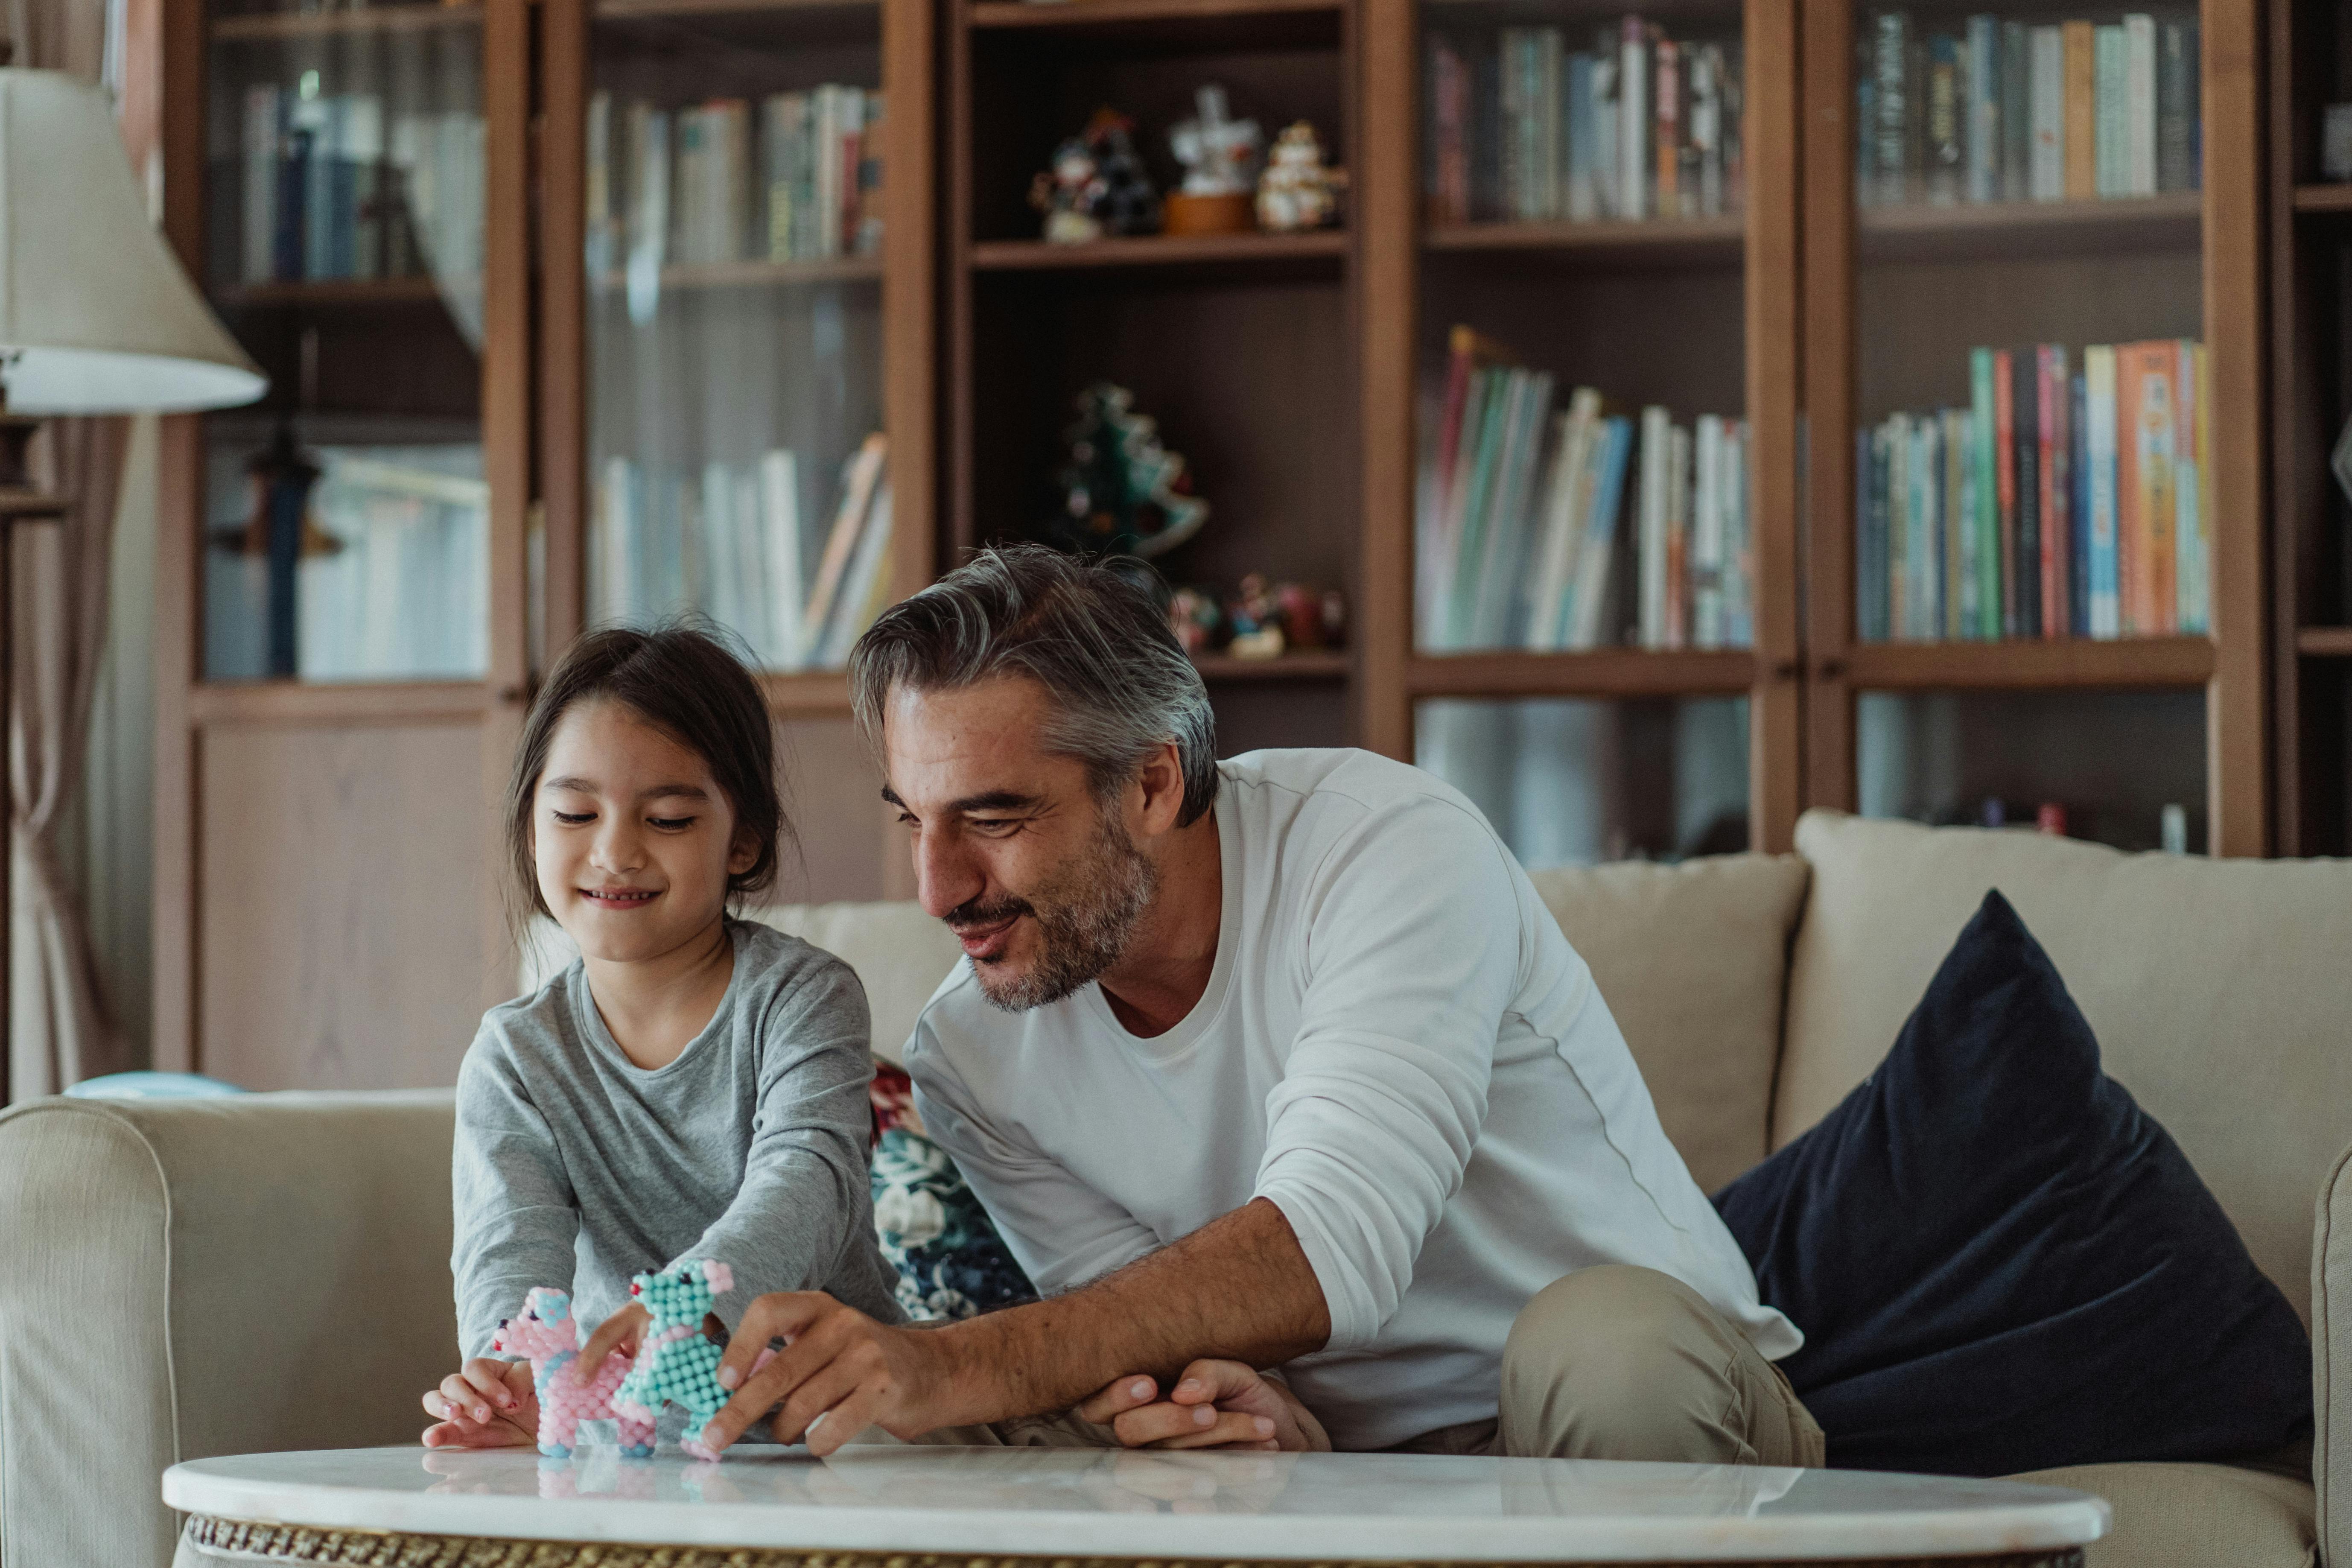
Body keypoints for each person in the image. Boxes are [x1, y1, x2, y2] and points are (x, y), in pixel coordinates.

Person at [693, 543, 1821, 1469]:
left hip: (1652, 1411)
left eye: (991, 818)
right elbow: (1127, 1327)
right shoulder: (973, 1049)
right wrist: (1212, 1408)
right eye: (913, 819)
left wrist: (951, 1362)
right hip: (1350, 1464)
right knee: (882, 1427)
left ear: (1150, 783)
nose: (937, 890)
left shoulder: (1385, 848)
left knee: (1598, 1346)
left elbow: (1336, 1242)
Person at [420, 624, 903, 1449]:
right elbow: (511, 1244)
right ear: (531, 827)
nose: (615, 851)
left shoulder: (803, 995)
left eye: (670, 818)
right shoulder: (516, 1056)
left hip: (835, 1425)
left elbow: (808, 1180)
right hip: (633, 1446)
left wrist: (686, 1304)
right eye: (575, 812)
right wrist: (506, 1374)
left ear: (741, 840)